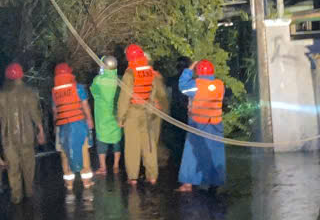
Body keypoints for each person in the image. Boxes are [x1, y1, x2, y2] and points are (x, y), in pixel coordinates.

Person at [0, 62, 47, 203]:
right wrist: (40, 130)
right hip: (27, 136)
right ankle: (29, 191)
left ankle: (16, 195)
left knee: (12, 167)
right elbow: (35, 113)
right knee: (28, 165)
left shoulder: (0, 94)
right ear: (21, 75)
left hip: (8, 137)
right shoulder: (29, 92)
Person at [116, 43, 168, 185]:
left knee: (132, 146)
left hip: (133, 113)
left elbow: (124, 98)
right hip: (148, 112)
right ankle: (152, 176)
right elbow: (157, 93)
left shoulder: (129, 73)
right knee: (149, 145)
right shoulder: (151, 72)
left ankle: (133, 177)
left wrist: (120, 117)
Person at [176, 59, 226, 191]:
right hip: (216, 125)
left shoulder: (196, 85)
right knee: (214, 153)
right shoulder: (220, 85)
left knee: (192, 154)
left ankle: (188, 183)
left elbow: (182, 86)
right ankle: (215, 181)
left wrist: (189, 69)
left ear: (198, 72)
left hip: (199, 124)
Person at [51, 62, 94, 186]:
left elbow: (55, 111)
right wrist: (89, 119)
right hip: (79, 124)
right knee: (83, 152)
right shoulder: (78, 87)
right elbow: (85, 105)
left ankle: (69, 184)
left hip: (62, 126)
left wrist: (55, 127)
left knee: (65, 154)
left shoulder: (54, 91)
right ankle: (86, 181)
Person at [89, 54, 123, 175]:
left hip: (102, 114)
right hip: (115, 114)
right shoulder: (119, 80)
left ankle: (103, 167)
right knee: (116, 141)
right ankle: (116, 166)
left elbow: (93, 91)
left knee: (101, 141)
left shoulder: (98, 80)